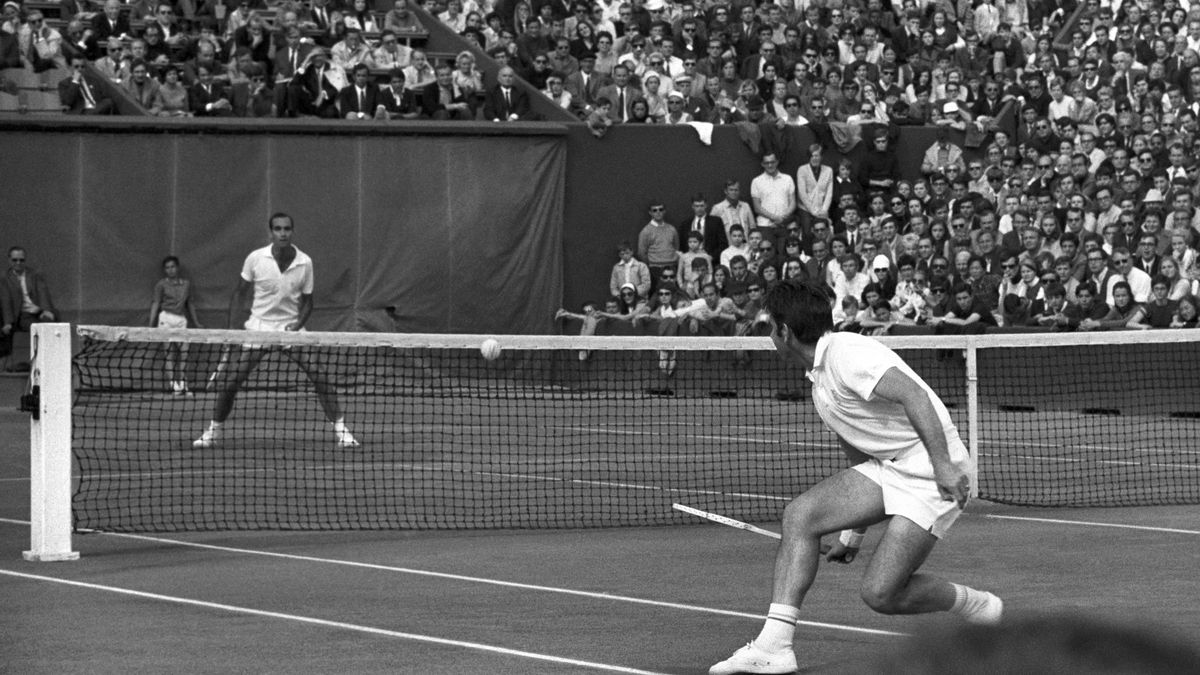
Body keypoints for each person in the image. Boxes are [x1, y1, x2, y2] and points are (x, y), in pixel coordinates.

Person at [708, 278, 1001, 675]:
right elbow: (861, 457)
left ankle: (978, 605)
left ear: (785, 332)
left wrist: (944, 466)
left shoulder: (848, 354)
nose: (768, 336)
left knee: (881, 594)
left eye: (769, 328)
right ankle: (774, 647)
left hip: (931, 469)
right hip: (891, 466)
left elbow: (914, 395)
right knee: (801, 516)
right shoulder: (820, 379)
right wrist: (854, 534)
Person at [193, 213, 359, 449]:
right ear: (271, 232)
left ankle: (343, 433)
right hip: (259, 327)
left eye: (287, 229)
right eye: (278, 229)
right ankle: (213, 433)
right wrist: (232, 331)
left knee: (320, 376)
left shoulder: (305, 262)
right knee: (231, 382)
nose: (283, 233)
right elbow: (239, 293)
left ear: (292, 231)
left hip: (291, 329)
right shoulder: (255, 259)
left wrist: (298, 324)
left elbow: (309, 302)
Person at [149, 255, 203, 395]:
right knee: (169, 354)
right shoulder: (161, 285)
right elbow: (156, 303)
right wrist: (150, 325)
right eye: (167, 268)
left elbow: (189, 303)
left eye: (172, 267)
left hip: (181, 320)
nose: (170, 270)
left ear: (177, 268)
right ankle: (175, 386)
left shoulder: (186, 284)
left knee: (184, 353)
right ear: (165, 270)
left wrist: (196, 322)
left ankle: (185, 385)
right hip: (165, 319)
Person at [1, 247, 58, 370]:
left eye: (21, 260)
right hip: (22, 314)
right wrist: (8, 322)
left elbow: (42, 293)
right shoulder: (5, 278)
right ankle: (34, 363)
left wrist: (45, 310)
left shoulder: (34, 275)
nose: (18, 263)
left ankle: (50, 361)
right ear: (9, 260)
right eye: (15, 260)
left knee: (52, 325)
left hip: (37, 310)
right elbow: (6, 302)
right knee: (36, 328)